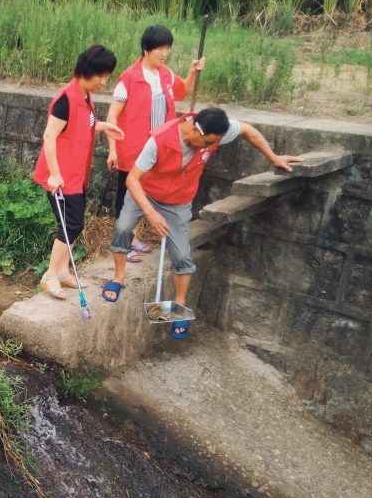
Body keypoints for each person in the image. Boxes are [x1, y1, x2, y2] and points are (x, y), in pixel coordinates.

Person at [104, 108, 303, 339]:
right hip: (145, 192)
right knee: (123, 228)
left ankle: (177, 307)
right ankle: (118, 277)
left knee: (181, 254)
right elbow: (131, 179)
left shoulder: (215, 132)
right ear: (196, 130)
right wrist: (150, 213)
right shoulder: (159, 141)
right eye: (208, 142)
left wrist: (274, 158)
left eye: (215, 142)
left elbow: (247, 130)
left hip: (178, 200)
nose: (211, 147)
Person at [106, 24, 205, 264]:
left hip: (161, 147)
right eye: (159, 48)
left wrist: (192, 72)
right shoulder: (128, 79)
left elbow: (183, 91)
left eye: (167, 48)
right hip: (133, 148)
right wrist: (112, 149)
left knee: (146, 192)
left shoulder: (166, 74)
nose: (163, 53)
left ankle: (134, 237)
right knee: (129, 194)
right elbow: (111, 117)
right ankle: (125, 241)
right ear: (146, 49)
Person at [33, 44, 124, 300]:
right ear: (86, 71)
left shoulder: (85, 96)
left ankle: (62, 271)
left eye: (107, 77)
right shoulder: (66, 99)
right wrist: (54, 174)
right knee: (71, 224)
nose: (104, 82)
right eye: (101, 76)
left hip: (75, 175)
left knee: (74, 223)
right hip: (60, 177)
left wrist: (103, 126)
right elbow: (49, 136)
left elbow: (80, 127)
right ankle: (50, 275)